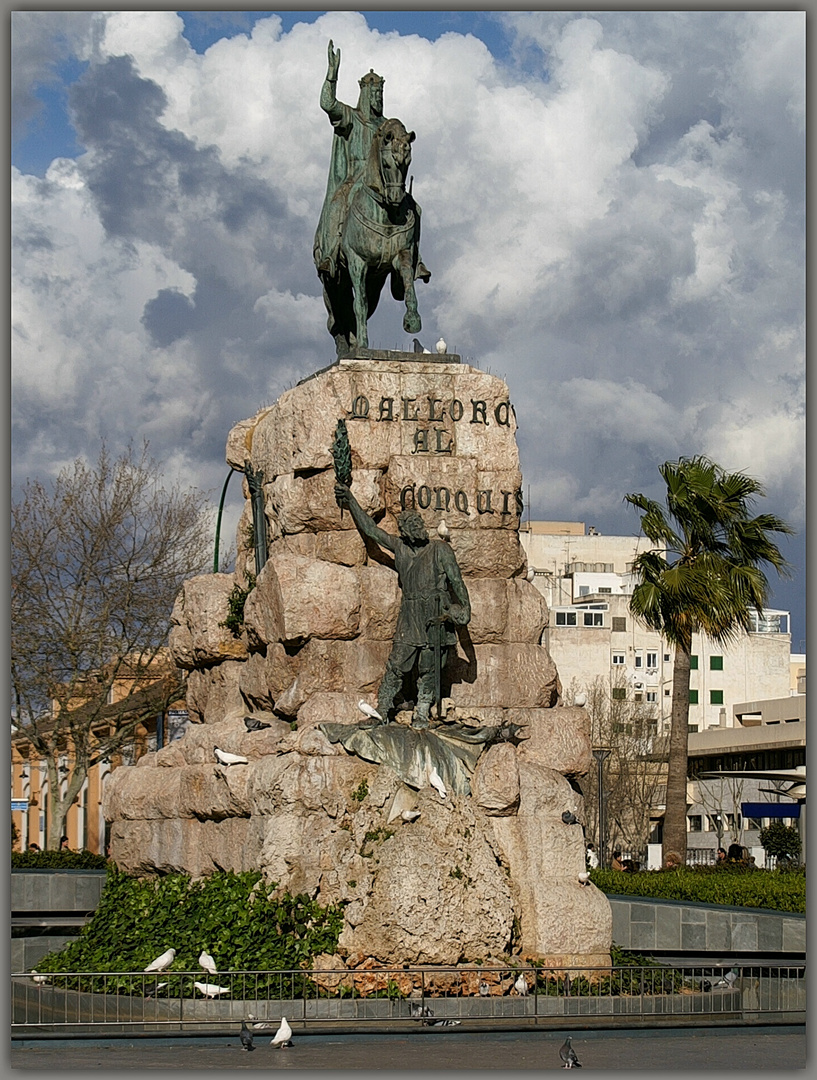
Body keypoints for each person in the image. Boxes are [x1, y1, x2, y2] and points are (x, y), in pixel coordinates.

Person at [334, 481, 470, 727]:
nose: (420, 527)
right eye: (413, 525)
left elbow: (457, 582)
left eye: (420, 523)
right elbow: (371, 531)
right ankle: (382, 710)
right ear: (405, 531)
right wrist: (350, 500)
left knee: (429, 669)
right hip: (410, 615)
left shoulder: (440, 549)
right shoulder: (401, 548)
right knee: (396, 664)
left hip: (434, 615)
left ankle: (421, 712)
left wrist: (463, 611)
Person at [314, 39, 430, 285]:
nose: (378, 99)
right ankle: (331, 254)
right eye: (374, 94)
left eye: (381, 94)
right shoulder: (352, 118)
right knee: (339, 203)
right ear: (365, 94)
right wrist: (331, 77)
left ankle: (415, 260)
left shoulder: (386, 126)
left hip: (386, 183)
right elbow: (327, 104)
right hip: (355, 180)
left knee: (415, 208)